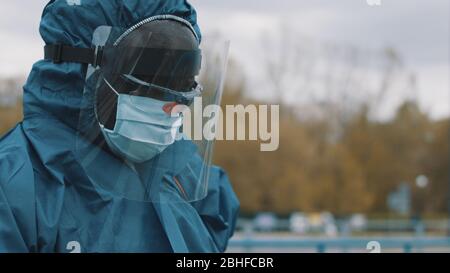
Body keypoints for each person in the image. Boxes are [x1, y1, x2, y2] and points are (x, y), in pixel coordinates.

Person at [0, 0, 239, 253]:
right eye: (146, 77)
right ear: (84, 68)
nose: (164, 98)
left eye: (179, 78)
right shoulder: (17, 187)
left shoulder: (190, 176)